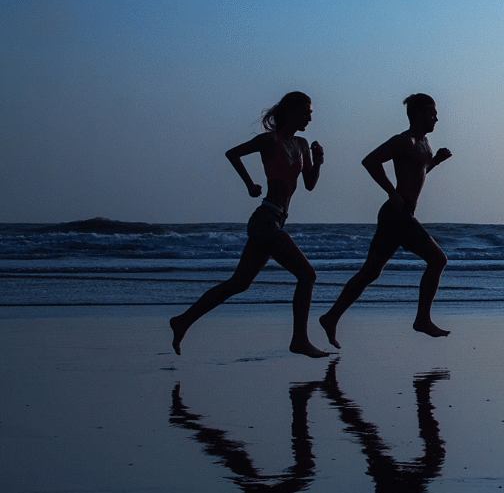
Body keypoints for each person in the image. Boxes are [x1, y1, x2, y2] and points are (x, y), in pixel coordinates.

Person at [170, 92, 328, 358]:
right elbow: (233, 153)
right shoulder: (269, 140)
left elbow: (310, 184)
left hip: (277, 220)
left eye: (310, 113)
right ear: (289, 112)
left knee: (239, 283)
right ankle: (299, 340)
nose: (309, 118)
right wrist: (250, 185)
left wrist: (319, 161)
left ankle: (183, 321)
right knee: (307, 275)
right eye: (304, 112)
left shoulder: (301, 145)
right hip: (265, 219)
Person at [319, 94, 451, 347]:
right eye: (431, 113)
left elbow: (417, 174)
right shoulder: (404, 140)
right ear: (417, 114)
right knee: (438, 259)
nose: (436, 117)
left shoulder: (425, 144)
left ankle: (331, 316)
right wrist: (391, 192)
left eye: (436, 113)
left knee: (370, 272)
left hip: (401, 215)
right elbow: (370, 161)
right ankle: (422, 319)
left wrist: (435, 162)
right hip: (396, 215)